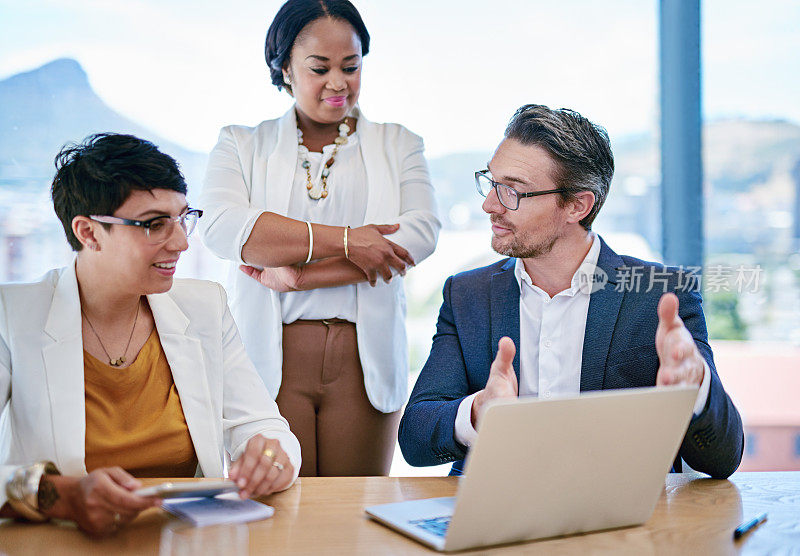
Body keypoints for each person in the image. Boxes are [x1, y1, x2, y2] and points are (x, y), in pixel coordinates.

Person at [398, 104, 744, 480]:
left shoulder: (662, 295)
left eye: (512, 191)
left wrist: (695, 388)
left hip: (618, 522)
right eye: (491, 182)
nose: (489, 205)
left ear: (577, 205)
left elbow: (723, 459)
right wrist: (480, 411)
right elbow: (415, 439)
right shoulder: (467, 295)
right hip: (491, 519)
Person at [0, 134, 301, 536]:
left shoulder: (205, 306)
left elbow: (266, 429)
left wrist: (270, 459)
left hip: (187, 538)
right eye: (154, 224)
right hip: (62, 537)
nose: (180, 241)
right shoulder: (13, 314)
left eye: (182, 218)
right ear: (88, 232)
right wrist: (62, 495)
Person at [199, 0, 440, 477]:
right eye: (319, 68)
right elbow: (225, 227)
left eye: (351, 67)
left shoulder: (399, 143)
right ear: (285, 67)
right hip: (269, 357)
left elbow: (420, 233)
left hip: (363, 360)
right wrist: (351, 241)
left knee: (354, 517)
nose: (338, 83)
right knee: (280, 518)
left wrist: (300, 279)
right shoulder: (240, 143)